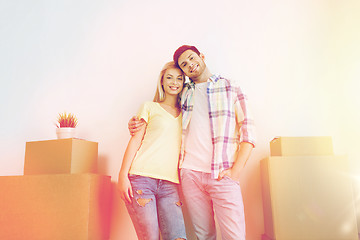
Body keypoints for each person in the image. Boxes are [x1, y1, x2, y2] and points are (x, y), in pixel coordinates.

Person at [129, 45, 256, 240]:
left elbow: (248, 131)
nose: (190, 65)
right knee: (203, 235)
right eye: (184, 64)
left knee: (234, 236)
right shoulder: (184, 92)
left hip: (223, 174)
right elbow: (163, 115)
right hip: (190, 175)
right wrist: (135, 123)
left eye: (191, 58)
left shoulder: (231, 86)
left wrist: (236, 171)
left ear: (202, 56)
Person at [118, 61, 187, 240]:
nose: (174, 82)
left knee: (178, 236)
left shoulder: (186, 113)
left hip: (171, 184)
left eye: (179, 78)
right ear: (162, 81)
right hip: (141, 179)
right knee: (149, 237)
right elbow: (135, 140)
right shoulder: (149, 107)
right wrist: (122, 176)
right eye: (169, 78)